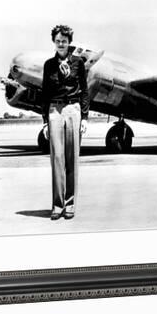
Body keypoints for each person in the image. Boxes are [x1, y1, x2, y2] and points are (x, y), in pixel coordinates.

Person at [41, 25, 89, 220]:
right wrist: (45, 121)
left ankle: (70, 204)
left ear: (69, 42)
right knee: (57, 159)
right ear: (54, 42)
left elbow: (85, 91)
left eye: (64, 41)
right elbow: (44, 94)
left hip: (73, 109)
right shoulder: (48, 65)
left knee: (72, 159)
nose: (61, 44)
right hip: (54, 110)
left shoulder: (78, 63)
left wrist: (84, 117)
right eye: (58, 40)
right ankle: (57, 205)